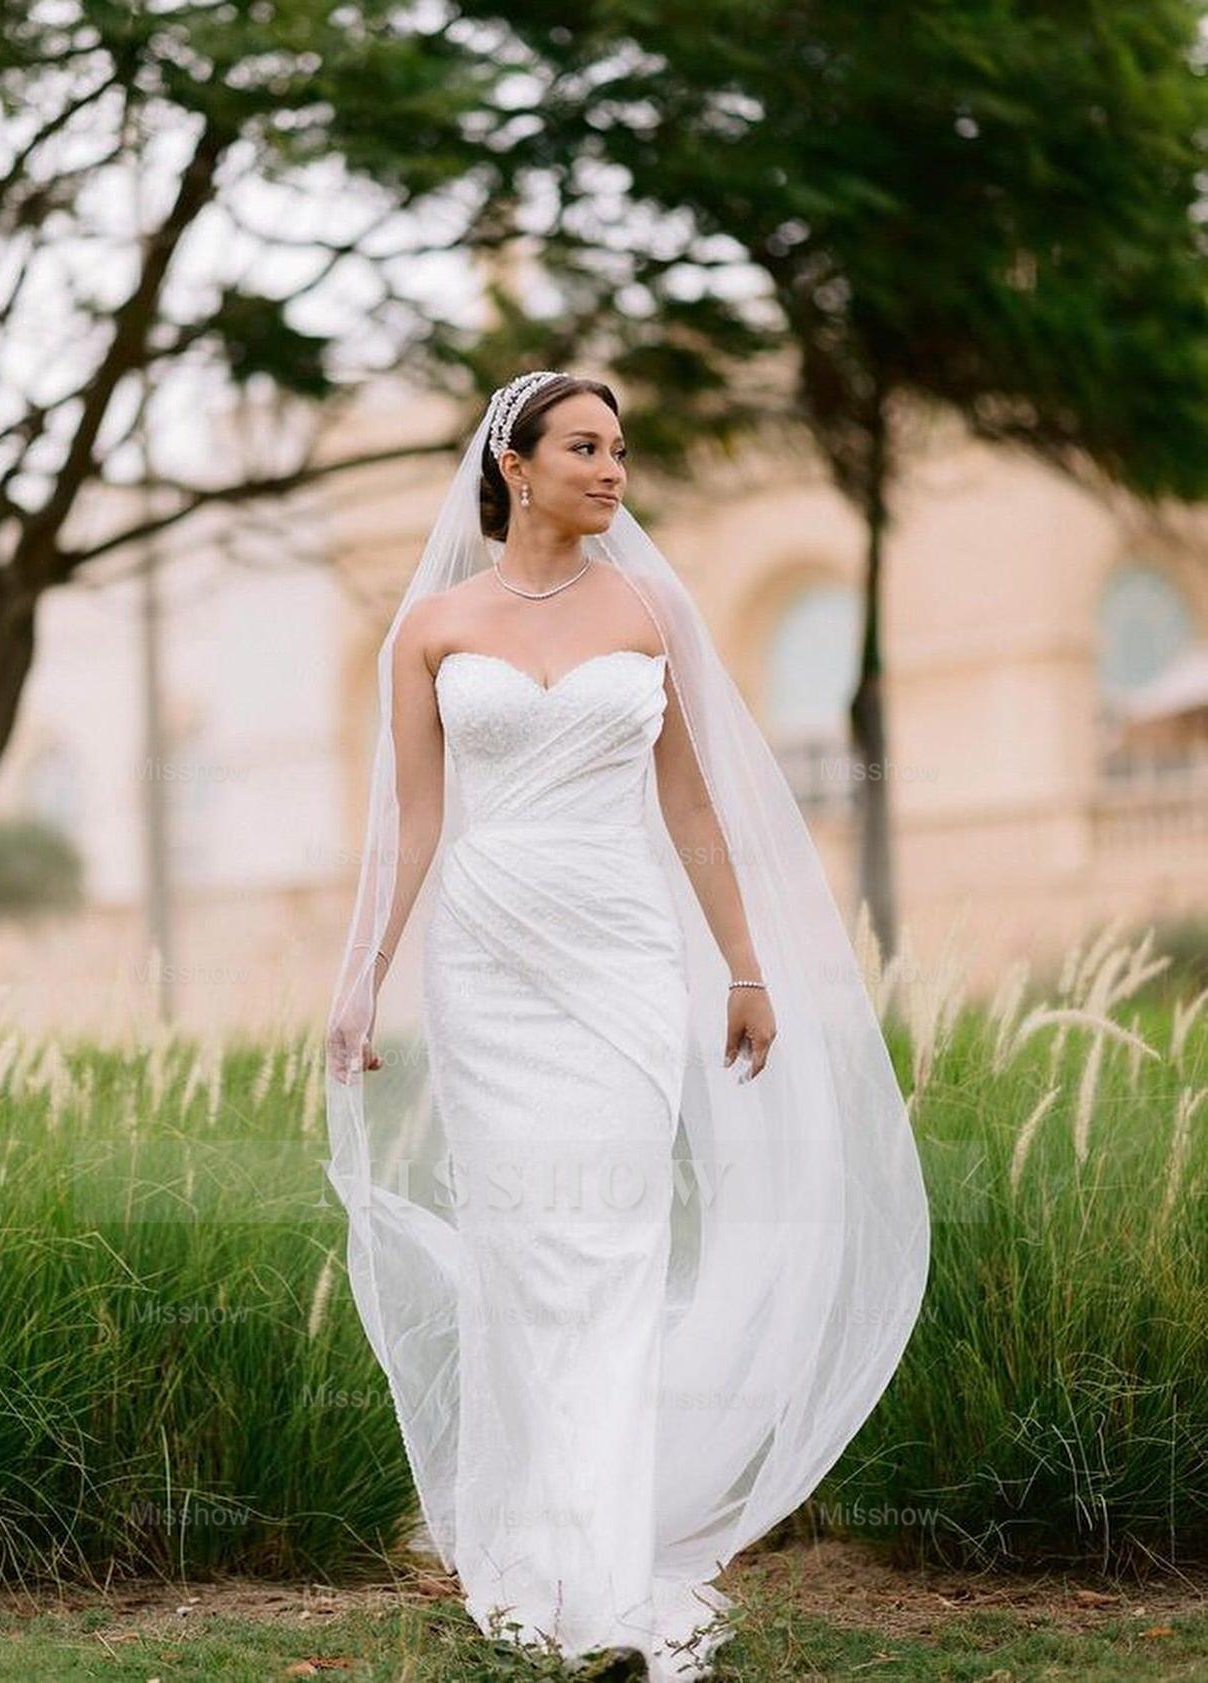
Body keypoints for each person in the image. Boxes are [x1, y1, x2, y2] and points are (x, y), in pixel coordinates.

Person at [325, 370, 931, 1682]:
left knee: (606, 1244)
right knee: (525, 1248)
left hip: (620, 963)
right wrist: (364, 976)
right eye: (586, 448)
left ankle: (603, 1577)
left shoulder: (652, 611)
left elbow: (698, 812)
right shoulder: (430, 627)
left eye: (620, 449)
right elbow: (412, 825)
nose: (613, 471)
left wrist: (748, 969)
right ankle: (538, 1541)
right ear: (517, 466)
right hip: (487, 969)